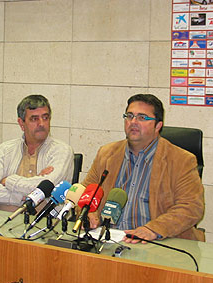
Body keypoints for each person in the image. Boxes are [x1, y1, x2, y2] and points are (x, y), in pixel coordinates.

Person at [82, 94, 205, 243]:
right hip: (107, 240)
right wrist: (88, 212)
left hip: (155, 244)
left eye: (142, 118)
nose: (133, 122)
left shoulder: (182, 160)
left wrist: (153, 229)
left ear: (158, 126)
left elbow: (191, 207)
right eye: (129, 116)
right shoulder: (106, 154)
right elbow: (85, 192)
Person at [0, 95, 74, 211]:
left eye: (45, 118)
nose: (41, 123)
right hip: (1, 221)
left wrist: (8, 180)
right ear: (21, 123)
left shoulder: (62, 151)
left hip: (43, 223)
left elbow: (48, 188)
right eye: (34, 119)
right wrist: (26, 196)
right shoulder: (5, 150)